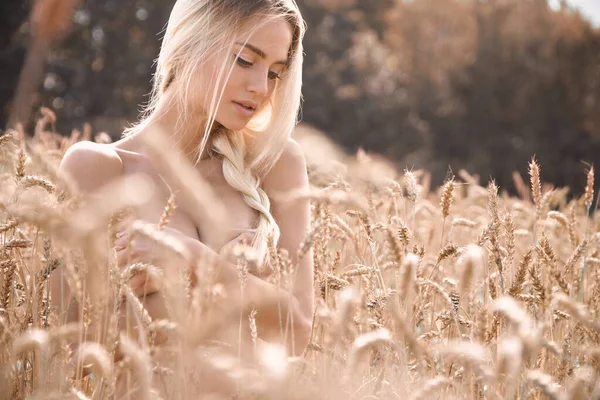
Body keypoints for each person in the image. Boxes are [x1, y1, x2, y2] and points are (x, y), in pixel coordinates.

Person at [53, 0, 313, 366]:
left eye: (274, 72)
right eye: (244, 59)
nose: (260, 87)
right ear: (189, 43)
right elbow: (64, 352)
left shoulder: (275, 165)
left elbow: (298, 331)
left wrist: (193, 261)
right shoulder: (98, 169)